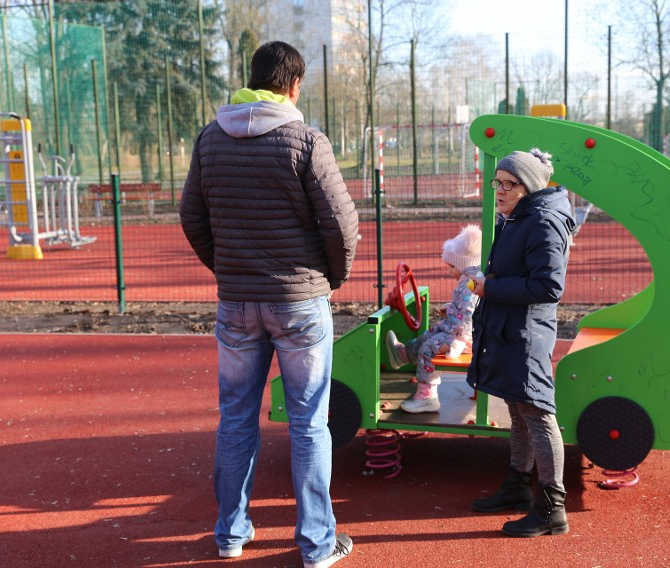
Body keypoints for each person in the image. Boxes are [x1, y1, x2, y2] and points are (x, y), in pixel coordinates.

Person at [179, 41, 358, 568]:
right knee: (307, 423)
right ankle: (317, 546)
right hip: (300, 301)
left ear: (250, 78)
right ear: (294, 85)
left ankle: (230, 535)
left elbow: (192, 217)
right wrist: (331, 279)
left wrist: (229, 270)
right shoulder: (306, 140)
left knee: (236, 418)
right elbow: (341, 224)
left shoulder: (210, 139)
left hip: (237, 303)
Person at [466, 148, 576, 537]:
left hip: (526, 333)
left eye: (507, 183)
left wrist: (489, 288)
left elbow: (548, 286)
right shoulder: (520, 216)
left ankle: (552, 510)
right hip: (512, 330)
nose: (498, 189)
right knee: (517, 408)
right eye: (496, 181)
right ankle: (517, 486)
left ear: (527, 186)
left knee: (538, 414)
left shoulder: (543, 221)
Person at [385, 224, 483, 413]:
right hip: (456, 330)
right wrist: (451, 309)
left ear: (465, 264)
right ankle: (403, 354)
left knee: (428, 350)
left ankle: (427, 397)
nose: (450, 271)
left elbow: (469, 313)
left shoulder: (470, 285)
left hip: (463, 338)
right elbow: (465, 309)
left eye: (452, 266)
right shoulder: (468, 280)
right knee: (430, 333)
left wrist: (457, 342)